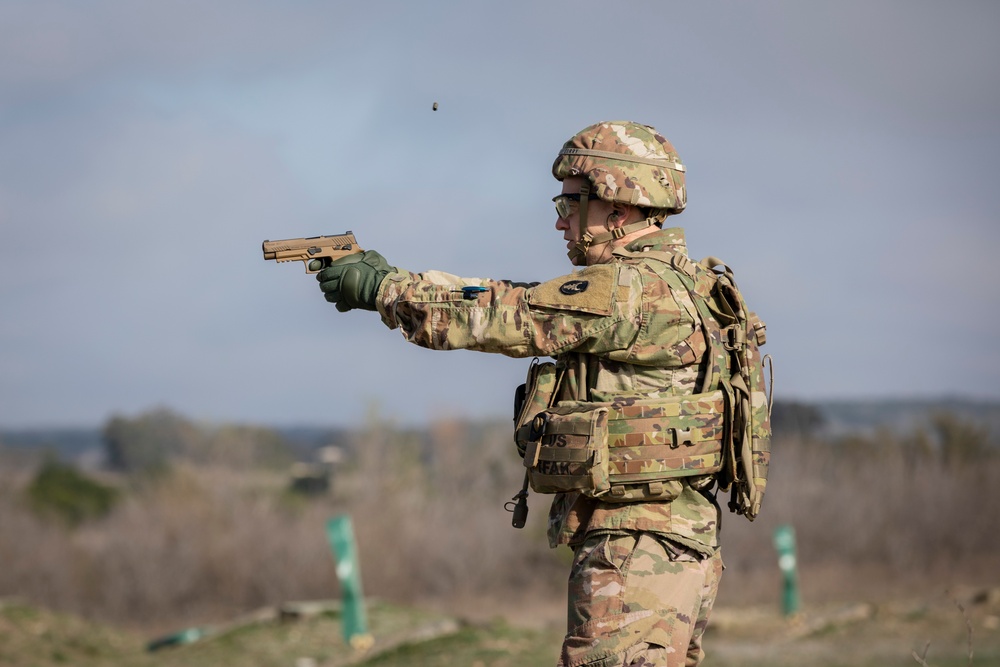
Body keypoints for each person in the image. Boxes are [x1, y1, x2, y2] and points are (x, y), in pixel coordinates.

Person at [315, 120, 769, 667]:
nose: (559, 220)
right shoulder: (692, 284)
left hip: (636, 547)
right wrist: (404, 280)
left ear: (617, 210)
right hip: (674, 541)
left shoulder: (629, 290)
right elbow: (523, 296)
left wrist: (386, 291)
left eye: (570, 203)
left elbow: (508, 316)